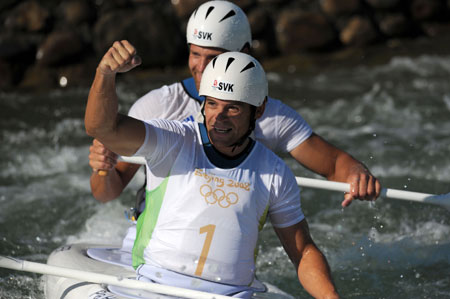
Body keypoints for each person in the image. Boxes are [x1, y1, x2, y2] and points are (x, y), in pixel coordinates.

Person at [89, 1, 380, 245]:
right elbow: (107, 192)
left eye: (214, 57)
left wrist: (356, 173)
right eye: (195, 54)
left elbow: (334, 166)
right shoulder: (158, 105)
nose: (201, 67)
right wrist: (104, 170)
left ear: (244, 54)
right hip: (153, 242)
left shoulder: (271, 115)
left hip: (224, 254)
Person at [85, 42, 340, 297]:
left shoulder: (275, 173)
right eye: (212, 104)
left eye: (232, 108)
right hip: (154, 288)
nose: (219, 117)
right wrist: (105, 74)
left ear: (258, 110)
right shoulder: (173, 140)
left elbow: (303, 251)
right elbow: (102, 127)